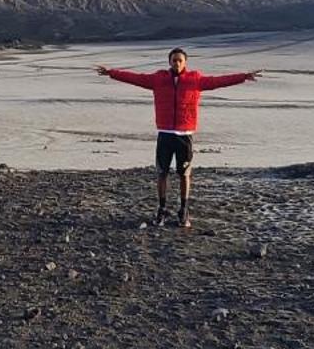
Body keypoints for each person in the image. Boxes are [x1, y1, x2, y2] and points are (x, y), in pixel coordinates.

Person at [94, 48, 260, 229]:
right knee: (161, 172)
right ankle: (162, 209)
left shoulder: (195, 79)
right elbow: (135, 78)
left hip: (185, 135)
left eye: (180, 60)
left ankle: (184, 210)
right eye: (174, 60)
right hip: (165, 134)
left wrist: (243, 77)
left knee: (184, 174)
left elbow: (218, 81)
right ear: (169, 62)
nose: (177, 63)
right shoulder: (158, 79)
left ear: (185, 62)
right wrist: (111, 73)